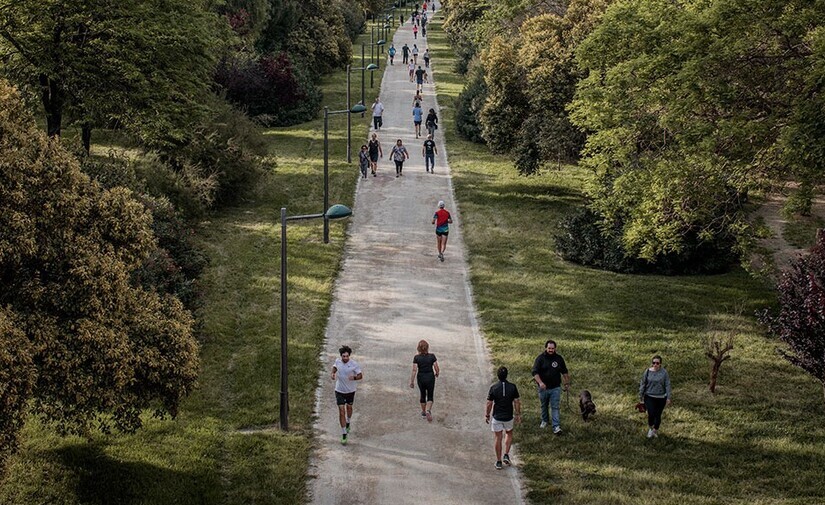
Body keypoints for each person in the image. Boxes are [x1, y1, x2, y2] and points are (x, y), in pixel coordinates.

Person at [485, 366, 521, 470]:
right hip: (508, 416)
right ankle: (506, 454)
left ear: (498, 375)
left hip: (497, 416)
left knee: (498, 437)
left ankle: (498, 461)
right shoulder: (513, 387)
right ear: (507, 375)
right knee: (509, 433)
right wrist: (518, 414)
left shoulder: (494, 387)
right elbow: (517, 401)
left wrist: (487, 415)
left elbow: (489, 403)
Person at [531, 339, 570, 434]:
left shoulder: (559, 359)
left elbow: (564, 372)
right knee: (544, 405)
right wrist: (540, 383)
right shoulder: (540, 359)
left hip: (555, 388)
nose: (551, 350)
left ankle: (556, 427)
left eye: (552, 348)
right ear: (546, 348)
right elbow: (534, 372)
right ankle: (545, 420)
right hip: (543, 388)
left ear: (555, 348)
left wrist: (567, 383)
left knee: (555, 407)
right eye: (549, 348)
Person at [331, 345, 363, 445]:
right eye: (343, 356)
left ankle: (348, 422)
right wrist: (332, 373)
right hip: (339, 390)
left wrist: (354, 378)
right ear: (341, 356)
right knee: (341, 411)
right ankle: (344, 433)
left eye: (347, 356)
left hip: (350, 391)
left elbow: (360, 376)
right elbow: (334, 367)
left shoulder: (354, 364)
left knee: (349, 408)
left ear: (349, 356)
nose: (345, 358)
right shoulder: (338, 361)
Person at [639, 355, 672, 438]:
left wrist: (668, 397)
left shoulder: (664, 373)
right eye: (654, 363)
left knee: (658, 415)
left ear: (660, 364)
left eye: (657, 363)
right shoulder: (647, 372)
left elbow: (667, 385)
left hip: (661, 397)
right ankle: (650, 428)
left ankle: (655, 430)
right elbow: (643, 383)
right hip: (649, 396)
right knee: (651, 413)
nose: (655, 365)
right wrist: (641, 396)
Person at [409, 339, 440, 422]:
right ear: (427, 348)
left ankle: (423, 412)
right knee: (430, 395)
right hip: (430, 377)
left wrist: (412, 381)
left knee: (423, 394)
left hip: (421, 378)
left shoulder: (416, 358)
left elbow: (414, 370)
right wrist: (437, 373)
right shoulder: (432, 356)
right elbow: (436, 367)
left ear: (418, 348)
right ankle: (428, 410)